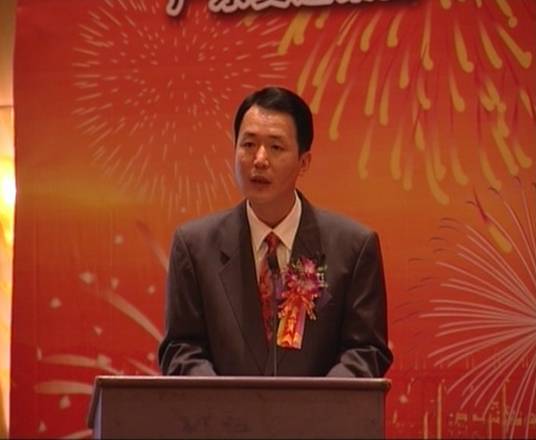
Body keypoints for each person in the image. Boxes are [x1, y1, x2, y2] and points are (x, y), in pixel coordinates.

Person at [158, 86, 393, 377]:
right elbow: (181, 349)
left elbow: (365, 351)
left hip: (318, 408)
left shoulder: (353, 248)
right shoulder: (194, 247)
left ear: (303, 162)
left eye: (276, 147)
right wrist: (222, 396)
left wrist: (321, 397)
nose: (259, 159)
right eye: (248, 144)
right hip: (222, 407)